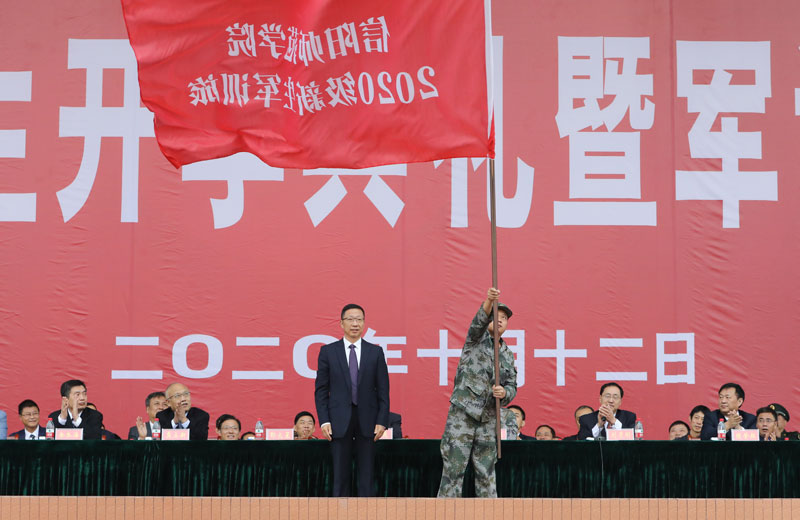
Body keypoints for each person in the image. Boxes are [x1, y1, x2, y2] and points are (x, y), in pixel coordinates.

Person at [437, 287, 518, 498]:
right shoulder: (475, 339)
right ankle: (446, 512)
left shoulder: (507, 354)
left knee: (486, 472)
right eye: (495, 316)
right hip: (463, 414)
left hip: (489, 418)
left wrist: (504, 393)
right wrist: (489, 301)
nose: (499, 320)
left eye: (504, 318)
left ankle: (488, 512)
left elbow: (512, 385)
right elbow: (478, 323)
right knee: (454, 468)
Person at [314, 303, 390, 497]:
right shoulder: (328, 352)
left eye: (359, 319)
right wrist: (324, 420)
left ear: (364, 323)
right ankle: (340, 511)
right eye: (350, 319)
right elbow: (321, 390)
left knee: (367, 477)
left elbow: (383, 390)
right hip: (338, 420)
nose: (355, 324)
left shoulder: (375, 352)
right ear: (341, 323)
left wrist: (382, 421)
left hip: (368, 420)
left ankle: (367, 511)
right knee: (340, 477)